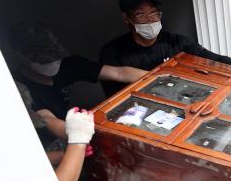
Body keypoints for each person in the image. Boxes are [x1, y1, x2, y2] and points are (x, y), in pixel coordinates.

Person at [100, 0, 231, 96]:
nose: (150, 20)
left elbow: (209, 58)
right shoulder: (113, 53)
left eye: (154, 13)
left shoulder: (175, 42)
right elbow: (114, 98)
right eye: (141, 14)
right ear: (127, 18)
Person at [11, 21, 149, 120]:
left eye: (56, 58)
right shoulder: (18, 87)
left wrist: (159, 77)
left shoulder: (69, 64)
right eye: (45, 60)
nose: (53, 63)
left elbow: (119, 73)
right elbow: (47, 120)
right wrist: (80, 133)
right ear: (22, 57)